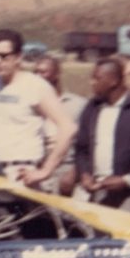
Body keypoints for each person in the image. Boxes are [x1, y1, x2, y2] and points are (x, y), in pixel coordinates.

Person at [0, 29, 77, 187]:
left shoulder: (35, 86)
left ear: (18, 57)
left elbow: (68, 127)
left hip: (21, 174)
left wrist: (46, 170)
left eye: (4, 56)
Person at [73, 58, 130, 215]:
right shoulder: (91, 110)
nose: (91, 82)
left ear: (113, 81)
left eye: (97, 78)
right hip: (98, 192)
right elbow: (81, 148)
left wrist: (127, 180)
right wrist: (85, 174)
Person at [32, 56, 86, 195]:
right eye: (35, 72)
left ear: (56, 74)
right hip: (37, 170)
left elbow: (87, 145)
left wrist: (73, 173)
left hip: (65, 170)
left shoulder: (77, 104)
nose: (38, 77)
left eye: (43, 72)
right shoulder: (31, 104)